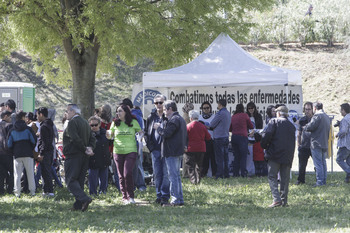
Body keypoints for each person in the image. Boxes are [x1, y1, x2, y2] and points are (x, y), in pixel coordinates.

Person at [153, 100, 187, 206]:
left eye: (164, 110)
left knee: (173, 177)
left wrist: (158, 128)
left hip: (171, 151)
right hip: (177, 151)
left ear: (170, 109)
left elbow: (166, 134)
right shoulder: (180, 119)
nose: (163, 112)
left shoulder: (174, 120)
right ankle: (179, 199)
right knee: (176, 176)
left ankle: (175, 200)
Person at [261, 106, 296, 207]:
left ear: (279, 113)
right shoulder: (291, 125)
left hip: (274, 154)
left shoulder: (274, 122)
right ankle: (284, 201)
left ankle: (276, 199)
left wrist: (263, 145)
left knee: (272, 176)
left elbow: (267, 135)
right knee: (285, 179)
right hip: (287, 156)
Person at [63, 104, 95, 211]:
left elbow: (74, 138)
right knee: (79, 181)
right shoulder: (85, 122)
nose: (66, 113)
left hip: (74, 155)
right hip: (84, 156)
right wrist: (90, 148)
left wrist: (84, 148)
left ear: (73, 112)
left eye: (67, 111)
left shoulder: (72, 122)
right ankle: (78, 205)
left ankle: (84, 199)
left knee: (70, 180)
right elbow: (92, 138)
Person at [109, 104, 141, 205]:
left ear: (126, 112)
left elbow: (140, 132)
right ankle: (124, 197)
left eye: (120, 111)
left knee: (128, 173)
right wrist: (108, 134)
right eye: (117, 111)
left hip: (131, 151)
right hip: (118, 152)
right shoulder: (115, 123)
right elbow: (110, 134)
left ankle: (131, 196)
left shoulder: (133, 122)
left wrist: (141, 136)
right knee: (121, 175)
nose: (118, 114)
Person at [144, 94, 170, 205]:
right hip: (155, 150)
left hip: (166, 149)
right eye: (156, 103)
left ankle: (165, 196)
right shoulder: (151, 117)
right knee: (157, 174)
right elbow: (146, 133)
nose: (158, 105)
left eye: (161, 102)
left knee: (165, 174)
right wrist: (151, 148)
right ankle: (158, 195)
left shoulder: (168, 117)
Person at [8, 111, 37, 197]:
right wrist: (30, 148)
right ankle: (32, 192)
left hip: (17, 154)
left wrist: (14, 151)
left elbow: (9, 144)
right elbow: (33, 141)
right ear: (23, 117)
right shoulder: (28, 129)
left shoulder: (12, 130)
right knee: (30, 173)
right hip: (28, 153)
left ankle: (17, 193)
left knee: (17, 174)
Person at [121, 98, 147, 192]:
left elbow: (139, 131)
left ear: (128, 107)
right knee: (136, 165)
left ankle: (139, 185)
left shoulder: (134, 116)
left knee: (136, 165)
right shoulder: (137, 115)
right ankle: (138, 185)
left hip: (134, 143)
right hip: (135, 143)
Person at [304, 102, 330, 187]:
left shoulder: (317, 116)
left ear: (314, 108)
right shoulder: (326, 116)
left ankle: (319, 182)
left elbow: (310, 127)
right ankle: (324, 181)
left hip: (316, 143)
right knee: (323, 163)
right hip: (324, 142)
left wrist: (305, 127)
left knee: (318, 164)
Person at [185, 110, 211, 184]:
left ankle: (193, 181)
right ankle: (198, 179)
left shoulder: (188, 126)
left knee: (190, 166)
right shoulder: (202, 126)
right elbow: (208, 137)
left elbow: (184, 137)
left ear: (191, 118)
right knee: (199, 166)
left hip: (190, 148)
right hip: (201, 148)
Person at [88, 116, 111, 195]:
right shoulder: (88, 134)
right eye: (92, 125)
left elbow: (111, 142)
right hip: (93, 159)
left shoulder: (105, 133)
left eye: (96, 125)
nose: (94, 127)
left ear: (99, 124)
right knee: (93, 179)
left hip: (104, 159)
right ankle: (93, 193)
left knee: (104, 178)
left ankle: (103, 192)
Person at [209, 99, 231, 179]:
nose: (217, 106)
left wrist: (204, 124)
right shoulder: (228, 113)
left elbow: (212, 125)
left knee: (219, 158)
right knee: (225, 158)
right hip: (225, 136)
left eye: (218, 104)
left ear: (220, 104)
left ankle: (219, 175)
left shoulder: (220, 113)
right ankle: (226, 174)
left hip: (219, 138)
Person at [230, 104, 254, 177]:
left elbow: (230, 129)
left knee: (236, 156)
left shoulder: (233, 117)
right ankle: (243, 173)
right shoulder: (245, 115)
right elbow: (251, 126)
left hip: (234, 137)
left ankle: (235, 174)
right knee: (243, 156)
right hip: (243, 137)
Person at [36, 107, 55, 197]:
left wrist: (41, 153)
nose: (37, 117)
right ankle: (46, 190)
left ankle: (49, 191)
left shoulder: (44, 126)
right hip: (50, 151)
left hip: (46, 152)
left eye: (37, 115)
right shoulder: (50, 124)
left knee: (46, 172)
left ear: (41, 114)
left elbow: (44, 142)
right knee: (46, 171)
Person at [296, 102, 313, 185]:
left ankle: (320, 180)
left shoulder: (315, 119)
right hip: (304, 145)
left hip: (314, 146)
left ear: (313, 110)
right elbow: (299, 133)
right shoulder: (302, 120)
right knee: (302, 165)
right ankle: (300, 180)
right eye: (306, 109)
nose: (307, 111)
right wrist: (298, 144)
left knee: (318, 165)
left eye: (309, 109)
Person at [198, 101, 216, 177]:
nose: (206, 109)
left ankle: (214, 173)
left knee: (213, 158)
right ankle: (204, 174)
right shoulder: (199, 117)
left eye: (207, 108)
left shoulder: (214, 116)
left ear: (210, 108)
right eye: (204, 108)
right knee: (204, 158)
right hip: (203, 140)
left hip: (212, 139)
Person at [246, 102, 263, 177]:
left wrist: (254, 132)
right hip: (248, 138)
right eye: (249, 108)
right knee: (249, 157)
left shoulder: (258, 116)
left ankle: (256, 172)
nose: (251, 110)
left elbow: (260, 127)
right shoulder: (246, 116)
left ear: (254, 108)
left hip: (256, 138)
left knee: (257, 156)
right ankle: (249, 171)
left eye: (252, 108)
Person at [335, 103, 350, 183]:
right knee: (348, 162)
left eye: (341, 110)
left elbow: (344, 131)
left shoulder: (345, 119)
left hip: (345, 143)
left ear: (344, 110)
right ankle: (348, 179)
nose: (340, 112)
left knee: (339, 159)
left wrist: (338, 134)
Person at [0, 111, 13, 195]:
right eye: (10, 117)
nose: (11, 119)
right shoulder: (9, 126)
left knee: (1, 173)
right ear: (5, 116)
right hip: (7, 153)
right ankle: (10, 189)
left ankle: (1, 191)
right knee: (12, 171)